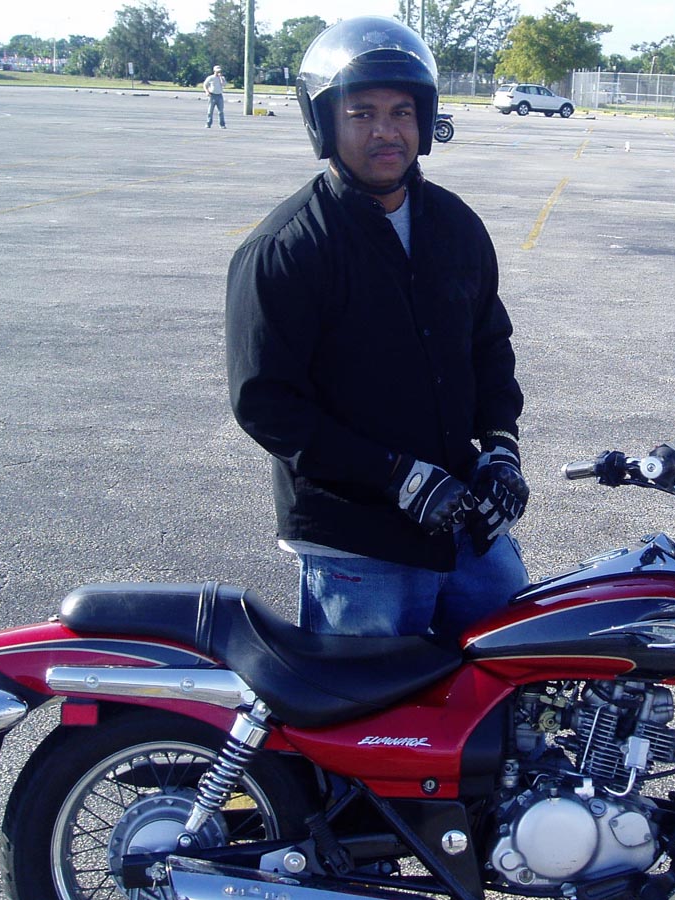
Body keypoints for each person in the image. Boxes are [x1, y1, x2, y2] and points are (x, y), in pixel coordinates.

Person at [225, 17, 529, 642]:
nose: (386, 131)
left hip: (464, 522)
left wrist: (501, 449)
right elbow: (266, 403)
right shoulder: (286, 248)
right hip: (357, 545)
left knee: (514, 678)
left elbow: (489, 346)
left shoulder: (456, 226)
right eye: (361, 113)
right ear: (324, 122)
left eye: (401, 112)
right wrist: (397, 477)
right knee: (369, 704)